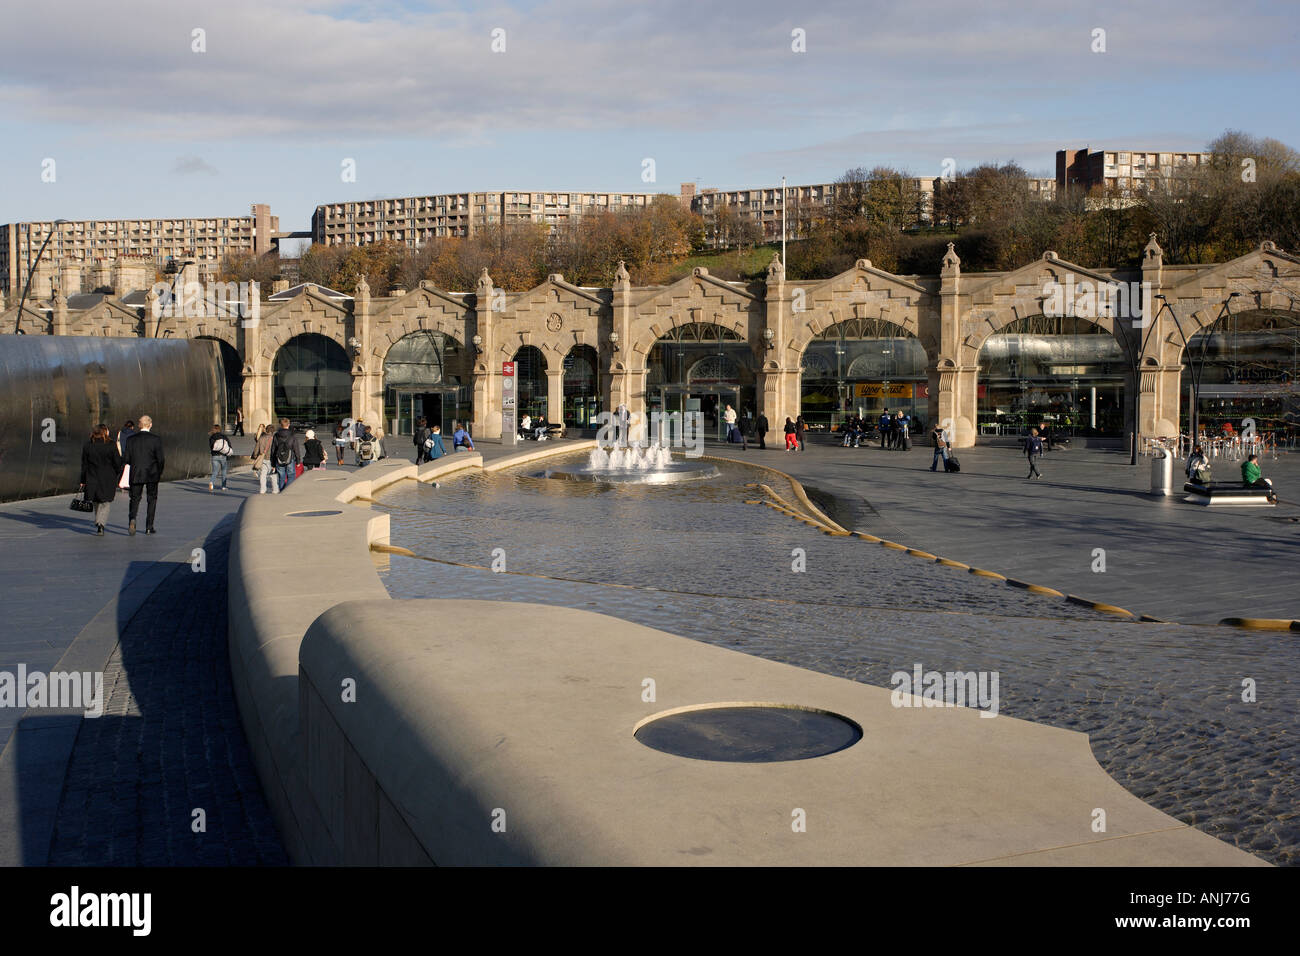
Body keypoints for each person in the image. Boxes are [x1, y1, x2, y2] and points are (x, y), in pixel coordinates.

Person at [121, 414, 165, 535]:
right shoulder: (156, 439)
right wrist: (159, 471)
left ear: (140, 425)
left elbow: (127, 458)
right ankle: (149, 526)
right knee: (152, 499)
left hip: (136, 472)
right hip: (152, 473)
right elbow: (160, 459)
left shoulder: (131, 439)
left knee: (134, 498)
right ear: (150, 425)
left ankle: (132, 518)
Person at [79, 424, 122, 536]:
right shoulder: (111, 445)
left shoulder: (88, 446)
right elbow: (117, 462)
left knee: (96, 500)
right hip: (107, 477)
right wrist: (117, 473)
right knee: (105, 502)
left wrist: (83, 479)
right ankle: (101, 524)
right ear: (104, 432)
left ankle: (99, 521)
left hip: (92, 476)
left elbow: (84, 464)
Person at [270, 418, 298, 489]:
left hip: (279, 458)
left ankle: (282, 491)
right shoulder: (292, 435)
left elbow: (273, 449)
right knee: (291, 475)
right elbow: (296, 448)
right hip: (290, 458)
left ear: (281, 425)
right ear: (288, 424)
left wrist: (273, 463)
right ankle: (286, 490)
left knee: (281, 476)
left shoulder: (276, 435)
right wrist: (298, 460)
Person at [251, 424, 278, 494]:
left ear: (266, 430)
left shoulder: (261, 438)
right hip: (272, 459)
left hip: (263, 458)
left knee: (263, 474)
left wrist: (255, 456)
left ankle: (263, 489)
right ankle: (275, 489)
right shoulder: (275, 438)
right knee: (273, 475)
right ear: (273, 431)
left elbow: (256, 448)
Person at [208, 424, 232, 492]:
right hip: (223, 456)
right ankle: (223, 487)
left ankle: (211, 483)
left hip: (214, 456)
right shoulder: (224, 436)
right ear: (219, 429)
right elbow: (229, 445)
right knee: (224, 471)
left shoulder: (211, 437)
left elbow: (211, 447)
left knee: (215, 471)